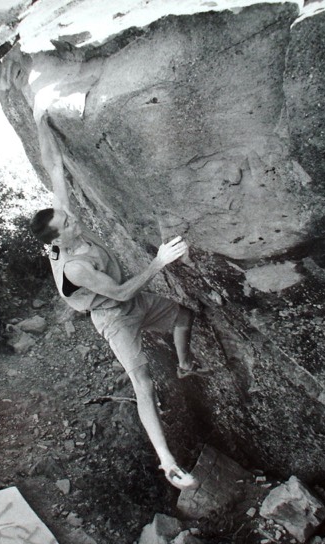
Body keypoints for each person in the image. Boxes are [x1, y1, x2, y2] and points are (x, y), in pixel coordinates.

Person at [29, 120, 210, 491]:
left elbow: (55, 166)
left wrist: (38, 119)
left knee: (184, 316)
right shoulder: (75, 267)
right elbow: (123, 294)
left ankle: (185, 364)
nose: (72, 215)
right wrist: (159, 262)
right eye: (66, 220)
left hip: (129, 297)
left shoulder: (65, 228)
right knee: (143, 383)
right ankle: (168, 462)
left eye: (66, 214)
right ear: (59, 236)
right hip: (113, 316)